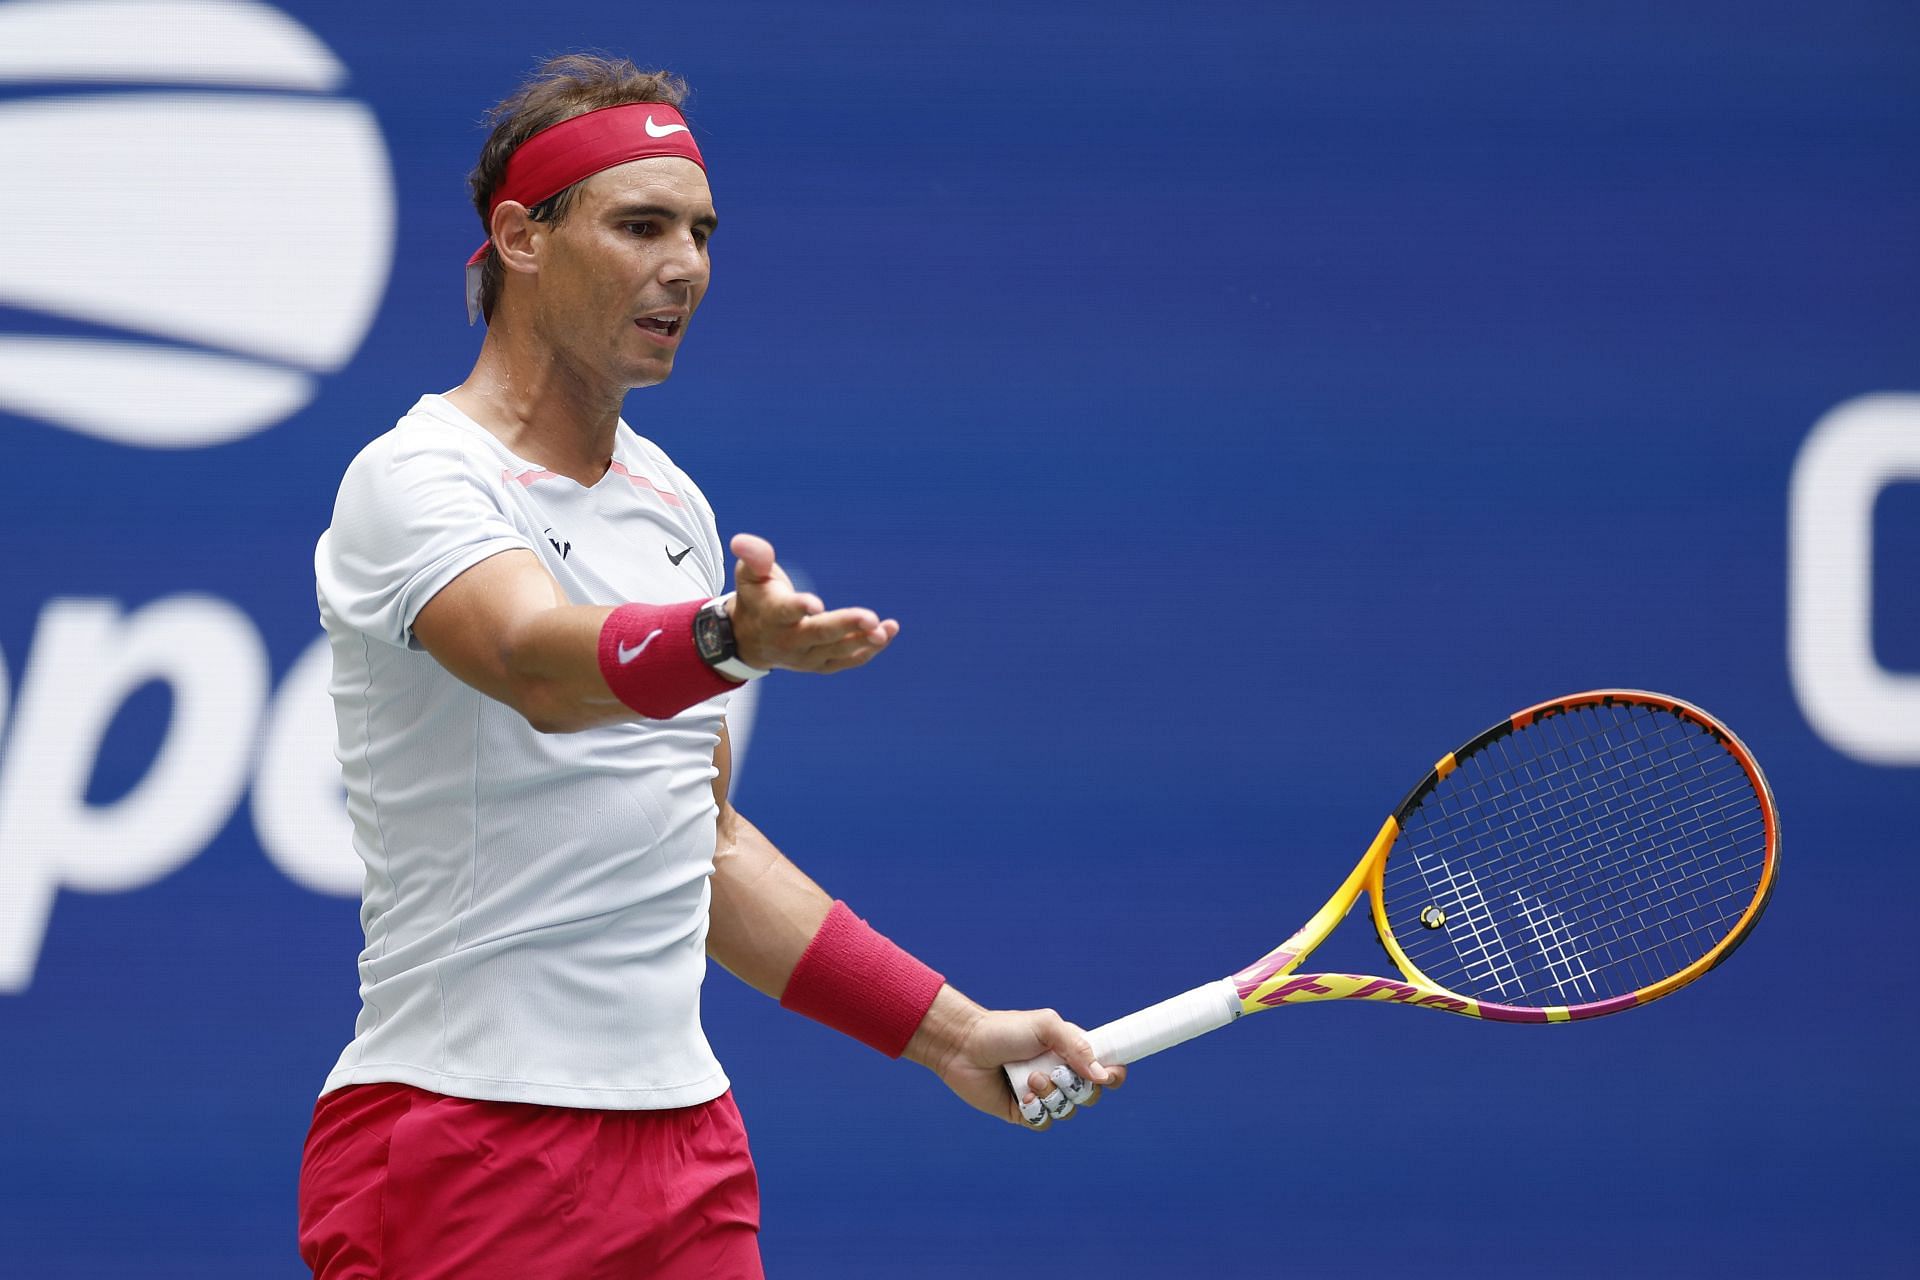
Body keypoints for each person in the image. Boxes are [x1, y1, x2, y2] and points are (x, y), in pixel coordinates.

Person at [295, 54, 1122, 1279]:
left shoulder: (670, 501)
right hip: (463, 1131)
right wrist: (725, 638)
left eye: (700, 231)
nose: (686, 264)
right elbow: (533, 660)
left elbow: (705, 838)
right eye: (640, 225)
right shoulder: (416, 480)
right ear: (521, 238)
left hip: (683, 1147)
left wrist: (950, 1033)